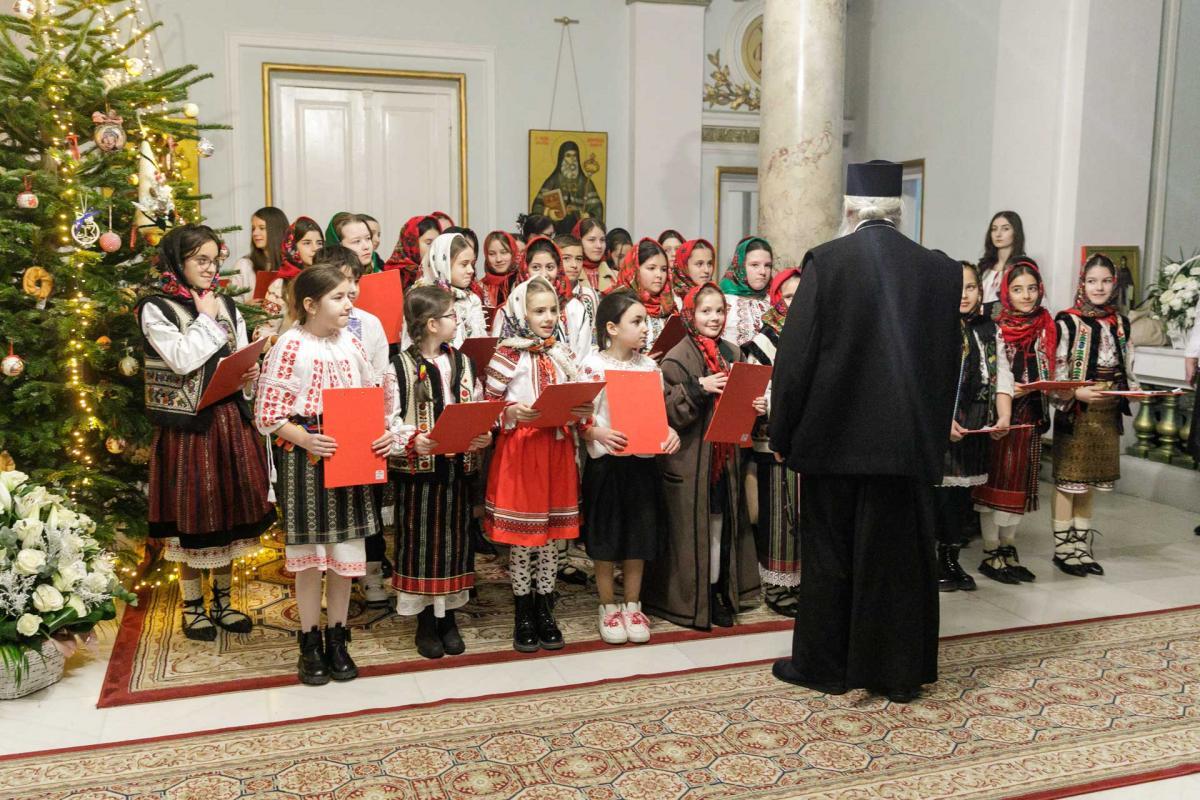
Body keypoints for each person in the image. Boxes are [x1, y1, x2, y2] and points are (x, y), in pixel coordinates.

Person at [768, 160, 962, 703]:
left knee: (832, 558)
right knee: (899, 561)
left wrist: (782, 432)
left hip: (834, 444)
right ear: (899, 212)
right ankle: (898, 672)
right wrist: (931, 434)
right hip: (908, 448)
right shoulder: (939, 271)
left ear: (849, 211)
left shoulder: (828, 262)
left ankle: (826, 666)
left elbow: (795, 360)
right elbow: (948, 362)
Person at [255, 264, 393, 685]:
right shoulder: (290, 346)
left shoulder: (351, 343)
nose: (350, 304)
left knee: (344, 555)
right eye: (339, 297)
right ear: (311, 305)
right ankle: (309, 640)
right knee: (311, 559)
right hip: (307, 459)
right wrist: (306, 439)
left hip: (349, 456)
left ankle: (338, 636)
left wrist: (382, 431)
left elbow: (372, 397)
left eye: (350, 295)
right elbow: (268, 414)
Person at [139, 225, 275, 642]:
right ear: (177, 262)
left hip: (228, 421)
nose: (210, 268)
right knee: (193, 515)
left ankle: (223, 600)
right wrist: (206, 318)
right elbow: (181, 359)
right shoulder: (155, 308)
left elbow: (234, 356)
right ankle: (192, 604)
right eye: (201, 260)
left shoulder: (224, 303)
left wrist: (248, 374)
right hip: (188, 429)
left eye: (215, 260)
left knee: (228, 512)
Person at [644, 283, 765, 630]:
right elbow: (667, 412)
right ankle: (694, 599)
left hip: (725, 458)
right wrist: (699, 387)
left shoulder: (732, 351)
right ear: (690, 314)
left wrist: (754, 405)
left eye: (719, 311)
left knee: (722, 525)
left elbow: (738, 406)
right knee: (691, 531)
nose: (714, 318)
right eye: (705, 311)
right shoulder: (677, 356)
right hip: (690, 462)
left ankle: (717, 591)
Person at [483, 277, 590, 652]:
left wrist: (580, 409)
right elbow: (488, 408)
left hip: (556, 448)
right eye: (539, 311)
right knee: (524, 539)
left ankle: (545, 605)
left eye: (552, 310)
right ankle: (523, 609)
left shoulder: (562, 353)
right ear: (521, 313)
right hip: (522, 450)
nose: (548, 318)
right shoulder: (506, 355)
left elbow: (576, 397)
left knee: (550, 539)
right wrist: (513, 412)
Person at [388, 286, 492, 659]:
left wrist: (481, 432)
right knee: (420, 541)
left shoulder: (462, 362)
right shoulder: (399, 367)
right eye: (451, 315)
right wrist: (413, 439)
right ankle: (425, 621)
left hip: (457, 469)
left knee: (455, 540)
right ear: (431, 324)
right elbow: (389, 418)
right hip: (420, 473)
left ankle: (448, 617)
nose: (456, 320)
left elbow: (475, 403)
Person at [579, 290, 680, 644]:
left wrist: (669, 433)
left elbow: (657, 416)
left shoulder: (649, 368)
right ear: (612, 328)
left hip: (642, 464)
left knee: (639, 532)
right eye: (636, 322)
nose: (645, 328)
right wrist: (597, 432)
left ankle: (633, 604)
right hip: (607, 464)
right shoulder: (592, 366)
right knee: (606, 536)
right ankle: (608, 605)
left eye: (645, 321)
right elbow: (580, 419)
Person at [1050, 253, 1138, 577]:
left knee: (1088, 483)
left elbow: (1127, 364)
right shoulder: (1068, 321)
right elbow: (1057, 368)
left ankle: (1082, 547)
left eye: (1105, 281)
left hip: (1106, 412)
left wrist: (1130, 389)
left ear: (1114, 284)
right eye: (1092, 281)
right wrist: (1075, 393)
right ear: (1082, 284)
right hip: (1076, 411)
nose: (1098, 287)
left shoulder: (1120, 322)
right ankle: (1063, 549)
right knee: (1069, 481)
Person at [317, 245, 392, 606]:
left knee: (367, 502)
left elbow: (380, 374)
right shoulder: (308, 327)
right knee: (327, 505)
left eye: (355, 281)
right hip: (321, 427)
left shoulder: (370, 323)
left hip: (362, 421)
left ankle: (372, 570)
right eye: (342, 283)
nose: (351, 290)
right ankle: (327, 574)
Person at [973, 258, 1055, 583]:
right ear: (1006, 292)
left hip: (1030, 413)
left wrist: (1042, 386)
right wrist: (1009, 389)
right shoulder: (995, 326)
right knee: (996, 481)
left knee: (1019, 482)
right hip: (1001, 414)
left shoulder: (1046, 325)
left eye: (1032, 289)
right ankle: (990, 551)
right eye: (1018, 289)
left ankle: (1008, 548)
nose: (1026, 295)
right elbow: (988, 370)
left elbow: (1052, 366)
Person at [933, 262, 1013, 592]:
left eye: (970, 287)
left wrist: (1004, 415)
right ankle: (935, 561)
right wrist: (940, 419)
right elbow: (925, 380)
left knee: (963, 496)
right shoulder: (935, 327)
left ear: (980, 291)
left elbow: (1002, 373)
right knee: (940, 495)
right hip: (944, 420)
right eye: (957, 288)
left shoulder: (988, 328)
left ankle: (951, 557)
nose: (964, 295)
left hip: (976, 420)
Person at [742, 267, 803, 616]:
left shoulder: (813, 331)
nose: (795, 302)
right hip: (772, 440)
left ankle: (802, 582)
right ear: (777, 299)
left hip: (805, 440)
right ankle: (778, 588)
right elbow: (756, 388)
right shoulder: (767, 338)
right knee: (780, 516)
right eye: (789, 296)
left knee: (803, 514)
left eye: (801, 295)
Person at [403, 232, 486, 348]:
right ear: (443, 264)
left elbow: (480, 344)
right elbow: (412, 346)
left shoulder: (471, 300)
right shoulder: (422, 300)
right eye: (464, 264)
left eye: (472, 264)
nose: (471, 270)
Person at [607, 238, 675, 356]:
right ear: (635, 269)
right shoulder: (616, 305)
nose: (659, 275)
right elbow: (605, 349)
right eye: (651, 268)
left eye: (664, 269)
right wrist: (641, 361)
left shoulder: (670, 305)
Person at [258, 216, 323, 339]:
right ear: (292, 247)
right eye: (307, 243)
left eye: (319, 243)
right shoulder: (280, 285)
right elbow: (262, 331)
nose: (315, 248)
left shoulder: (328, 279)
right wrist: (284, 343)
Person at [530, 140, 604, 223]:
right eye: (568, 156)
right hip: (556, 226)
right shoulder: (553, 180)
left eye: (574, 156)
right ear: (562, 158)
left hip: (578, 226)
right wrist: (548, 212)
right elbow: (537, 206)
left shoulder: (585, 182)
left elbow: (597, 208)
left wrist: (588, 215)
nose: (572, 159)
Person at [720, 237, 773, 346]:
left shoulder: (775, 300)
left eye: (767, 265)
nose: (763, 272)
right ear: (740, 266)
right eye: (755, 265)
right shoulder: (722, 301)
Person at [556, 232, 600, 365]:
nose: (574, 265)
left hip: (584, 362)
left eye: (579, 259)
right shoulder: (547, 295)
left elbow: (593, 336)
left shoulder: (588, 295)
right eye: (566, 258)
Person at [978, 211, 1026, 316]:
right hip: (980, 322)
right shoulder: (983, 267)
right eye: (994, 229)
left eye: (1005, 229)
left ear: (1016, 232)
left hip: (1009, 322)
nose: (998, 234)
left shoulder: (1022, 268)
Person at [231, 206, 288, 292]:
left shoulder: (292, 265)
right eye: (253, 229)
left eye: (262, 228)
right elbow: (232, 299)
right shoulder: (244, 265)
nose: (255, 233)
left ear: (277, 231)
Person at [477, 230, 521, 328]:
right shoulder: (480, 287)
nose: (499, 259)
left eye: (504, 252)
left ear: (513, 253)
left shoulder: (521, 282)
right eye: (492, 254)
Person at [384, 214, 440, 290]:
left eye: (437, 243)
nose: (434, 248)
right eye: (428, 243)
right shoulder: (394, 274)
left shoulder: (439, 271)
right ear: (411, 243)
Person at [574, 218, 617, 292]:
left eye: (602, 240)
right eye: (591, 240)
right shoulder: (570, 275)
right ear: (579, 241)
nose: (599, 246)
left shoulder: (616, 277)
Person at [672, 238, 716, 307]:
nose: (707, 270)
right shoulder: (671, 302)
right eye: (699, 264)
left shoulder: (718, 296)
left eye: (709, 264)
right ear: (684, 266)